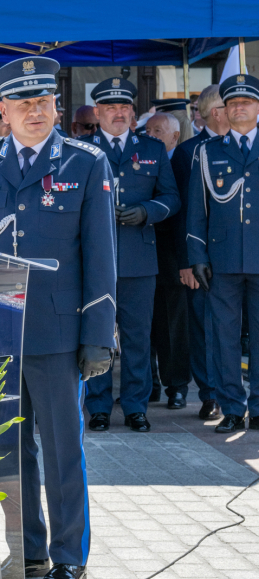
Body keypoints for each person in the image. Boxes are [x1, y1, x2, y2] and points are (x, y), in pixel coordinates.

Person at [0, 57, 117, 579]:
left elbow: (100, 255)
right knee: (8, 448)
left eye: (43, 102)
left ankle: (70, 553)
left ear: (56, 107)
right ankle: (25, 550)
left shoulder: (85, 163)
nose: (35, 112)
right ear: (3, 111)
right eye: (23, 103)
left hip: (56, 330)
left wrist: (98, 335)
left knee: (63, 447)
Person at [78, 78, 179, 434]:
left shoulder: (151, 149)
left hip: (139, 258)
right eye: (110, 108)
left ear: (133, 113)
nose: (118, 114)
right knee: (98, 333)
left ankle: (136, 406)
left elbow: (172, 198)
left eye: (123, 108)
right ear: (98, 113)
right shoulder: (82, 150)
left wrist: (147, 211)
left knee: (138, 337)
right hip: (95, 260)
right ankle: (99, 407)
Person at [186, 74, 259, 433]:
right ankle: (232, 407)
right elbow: (197, 211)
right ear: (224, 112)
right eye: (232, 104)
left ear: (258, 107)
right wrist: (196, 255)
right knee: (223, 338)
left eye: (246, 102)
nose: (239, 108)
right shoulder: (207, 151)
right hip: (222, 261)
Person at [171, 84, 228, 421]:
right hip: (201, 259)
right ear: (216, 111)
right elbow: (181, 212)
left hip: (239, 257)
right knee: (204, 328)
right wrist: (186, 261)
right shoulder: (187, 152)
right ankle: (210, 395)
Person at [145, 111, 192, 410]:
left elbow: (187, 215)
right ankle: (148, 384)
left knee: (173, 325)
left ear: (175, 137)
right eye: (147, 130)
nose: (151, 136)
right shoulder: (142, 159)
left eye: (158, 131)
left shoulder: (182, 162)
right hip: (141, 253)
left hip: (172, 255)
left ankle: (177, 386)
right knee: (142, 325)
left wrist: (186, 261)